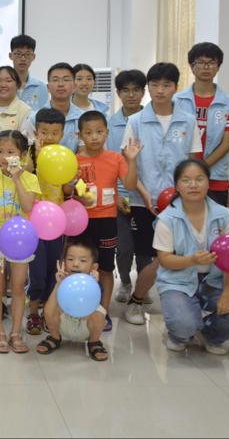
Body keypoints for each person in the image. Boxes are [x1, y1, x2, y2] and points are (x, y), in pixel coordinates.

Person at [121, 62, 201, 325]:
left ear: (175, 87)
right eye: (154, 85)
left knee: (169, 255)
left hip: (179, 202)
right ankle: (137, 300)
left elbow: (194, 163)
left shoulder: (188, 121)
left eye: (166, 85)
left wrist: (185, 195)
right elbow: (129, 164)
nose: (160, 90)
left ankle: (175, 303)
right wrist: (145, 194)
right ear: (149, 88)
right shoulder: (135, 121)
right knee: (145, 253)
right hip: (142, 199)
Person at [157, 159, 229, 353]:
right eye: (186, 180)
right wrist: (191, 260)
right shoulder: (167, 218)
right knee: (184, 324)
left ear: (208, 182)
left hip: (214, 281)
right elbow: (165, 259)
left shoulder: (222, 214)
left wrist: (228, 290)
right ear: (177, 186)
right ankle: (179, 335)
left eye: (199, 179)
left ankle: (210, 335)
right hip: (178, 281)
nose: (193, 185)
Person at [75, 110, 141, 328]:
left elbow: (130, 185)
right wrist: (74, 187)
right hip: (81, 222)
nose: (94, 137)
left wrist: (132, 160)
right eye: (89, 133)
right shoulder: (74, 160)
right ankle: (81, 309)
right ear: (80, 135)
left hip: (106, 221)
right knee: (81, 266)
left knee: (105, 268)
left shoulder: (116, 158)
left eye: (99, 132)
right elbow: (67, 191)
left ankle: (103, 311)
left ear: (107, 133)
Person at [0, 130, 40, 353]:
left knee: (17, 287)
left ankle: (15, 332)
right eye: (0, 151)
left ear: (22, 155)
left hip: (21, 241)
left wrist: (16, 178)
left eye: (11, 152)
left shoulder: (30, 178)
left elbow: (28, 206)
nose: (5, 157)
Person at [173, 43, 229, 206]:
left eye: (211, 62)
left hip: (215, 177)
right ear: (191, 66)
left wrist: (200, 168)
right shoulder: (177, 101)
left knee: (214, 220)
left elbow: (225, 145)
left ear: (218, 67)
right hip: (181, 175)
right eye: (200, 62)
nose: (206, 67)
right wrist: (189, 170)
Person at [25, 107, 73, 335]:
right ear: (36, 133)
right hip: (33, 222)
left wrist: (73, 184)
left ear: (62, 134)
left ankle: (48, 311)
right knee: (36, 270)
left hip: (57, 223)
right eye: (44, 132)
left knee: (54, 268)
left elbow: (66, 189)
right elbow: (25, 176)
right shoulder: (29, 154)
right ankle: (33, 312)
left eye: (55, 133)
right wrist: (35, 155)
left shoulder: (65, 156)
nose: (50, 137)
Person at [108, 70, 147, 304]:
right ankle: (124, 282)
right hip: (119, 196)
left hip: (145, 197)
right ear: (118, 93)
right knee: (123, 248)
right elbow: (107, 163)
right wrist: (115, 195)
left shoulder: (149, 121)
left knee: (145, 249)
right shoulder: (109, 124)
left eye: (136, 90)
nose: (131, 95)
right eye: (126, 90)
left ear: (143, 92)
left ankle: (143, 286)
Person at [35, 238, 109, 361]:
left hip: (86, 325)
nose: (75, 264)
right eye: (70, 259)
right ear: (64, 262)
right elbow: (49, 309)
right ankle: (54, 337)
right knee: (49, 308)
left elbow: (92, 310)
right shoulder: (61, 279)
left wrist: (93, 285)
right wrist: (58, 284)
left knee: (100, 313)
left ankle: (94, 342)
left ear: (94, 266)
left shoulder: (95, 284)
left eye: (83, 260)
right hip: (63, 325)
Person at [0, 65, 32, 135]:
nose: (3, 85)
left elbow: (26, 139)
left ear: (18, 85)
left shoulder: (25, 111)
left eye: (8, 81)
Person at [9, 34, 48, 112]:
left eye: (27, 54)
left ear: (33, 57)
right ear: (10, 56)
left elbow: (45, 114)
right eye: (18, 54)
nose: (23, 58)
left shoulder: (41, 87)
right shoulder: (2, 85)